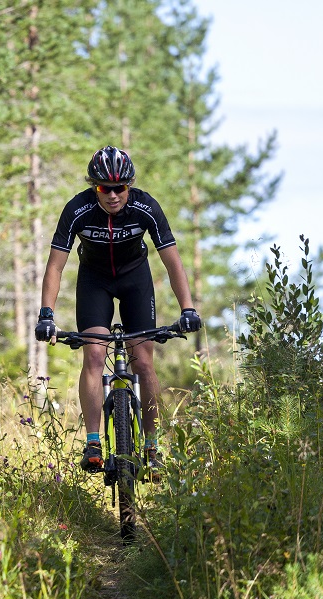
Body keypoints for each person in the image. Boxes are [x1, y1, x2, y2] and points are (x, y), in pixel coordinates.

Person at [34, 146, 202, 478]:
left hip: (134, 281)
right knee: (95, 354)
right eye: (103, 188)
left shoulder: (145, 207)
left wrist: (188, 308)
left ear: (130, 185)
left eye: (120, 188)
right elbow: (55, 267)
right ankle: (94, 442)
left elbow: (172, 262)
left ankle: (152, 446)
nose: (112, 195)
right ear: (93, 186)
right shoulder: (77, 209)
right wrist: (47, 314)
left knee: (143, 359)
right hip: (94, 282)